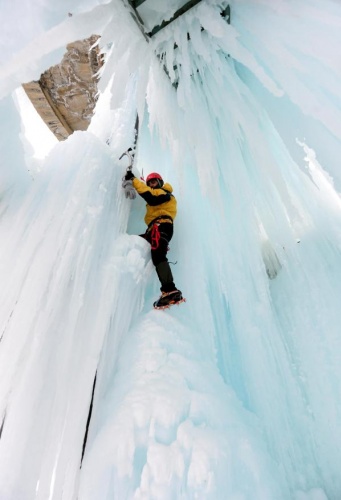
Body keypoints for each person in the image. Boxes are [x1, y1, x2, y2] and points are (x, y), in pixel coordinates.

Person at [124, 169, 183, 308]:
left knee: (158, 253)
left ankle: (170, 290)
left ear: (160, 183)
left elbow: (150, 197)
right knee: (133, 244)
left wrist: (134, 180)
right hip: (153, 229)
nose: (151, 184)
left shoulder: (165, 194)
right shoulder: (156, 194)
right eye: (149, 182)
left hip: (162, 226)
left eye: (154, 181)